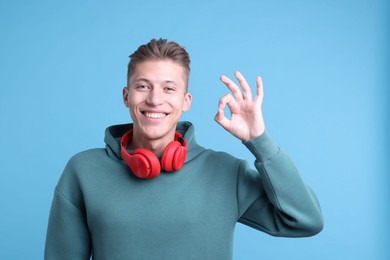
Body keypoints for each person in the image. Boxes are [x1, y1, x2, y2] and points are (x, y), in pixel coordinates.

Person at [44, 38, 323, 260]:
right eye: (143, 86)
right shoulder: (84, 171)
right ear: (126, 96)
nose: (155, 99)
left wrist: (259, 140)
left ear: (185, 100)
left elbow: (305, 220)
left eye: (169, 89)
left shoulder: (226, 172)